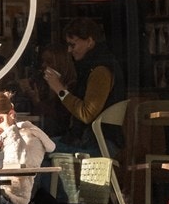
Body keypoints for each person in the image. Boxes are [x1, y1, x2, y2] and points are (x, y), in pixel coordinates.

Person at [43, 18, 124, 155]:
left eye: (73, 45)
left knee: (38, 148)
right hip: (95, 141)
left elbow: (86, 114)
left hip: (98, 145)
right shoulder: (93, 66)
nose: (69, 50)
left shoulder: (100, 71)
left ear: (90, 42)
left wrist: (60, 89)